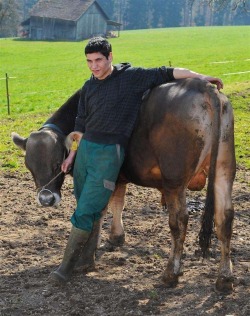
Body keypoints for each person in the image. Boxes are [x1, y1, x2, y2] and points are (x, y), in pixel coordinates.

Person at [50, 37, 223, 284]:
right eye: (89, 61)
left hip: (110, 152)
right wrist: (75, 153)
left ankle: (65, 268)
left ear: (110, 57)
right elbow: (81, 121)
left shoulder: (131, 78)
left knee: (88, 206)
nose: (94, 66)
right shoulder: (89, 86)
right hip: (86, 149)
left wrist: (201, 77)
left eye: (99, 60)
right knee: (85, 204)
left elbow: (168, 72)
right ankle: (87, 259)